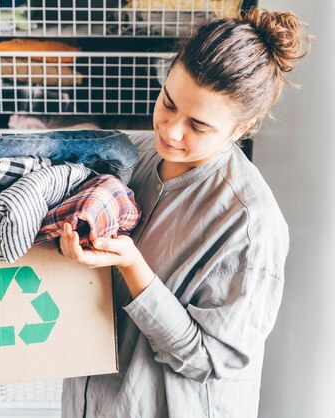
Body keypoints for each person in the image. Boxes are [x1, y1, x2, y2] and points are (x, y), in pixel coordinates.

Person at [58, 7, 311, 418]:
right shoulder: (133, 156)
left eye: (198, 125)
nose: (171, 130)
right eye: (168, 102)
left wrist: (132, 267)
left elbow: (210, 360)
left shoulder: (249, 225)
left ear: (242, 127)